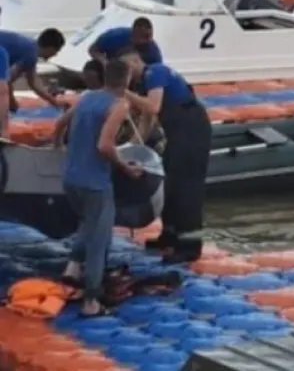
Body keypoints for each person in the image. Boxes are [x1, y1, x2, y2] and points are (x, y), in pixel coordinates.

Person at [52, 60, 142, 317]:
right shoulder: (119, 105)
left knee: (88, 223)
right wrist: (125, 167)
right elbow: (104, 145)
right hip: (95, 182)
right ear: (127, 80)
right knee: (99, 240)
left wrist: (58, 149)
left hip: (71, 178)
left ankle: (72, 267)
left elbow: (59, 125)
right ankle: (91, 300)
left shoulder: (87, 98)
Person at [119, 48, 211, 263]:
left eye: (126, 69)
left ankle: (189, 245)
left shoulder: (155, 72)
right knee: (169, 182)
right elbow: (147, 119)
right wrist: (131, 146)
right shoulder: (142, 84)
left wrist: (123, 92)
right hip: (174, 132)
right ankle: (169, 234)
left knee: (186, 187)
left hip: (190, 127)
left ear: (135, 61)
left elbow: (153, 106)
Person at [81, 59, 166, 155]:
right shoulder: (90, 99)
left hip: (139, 139)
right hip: (120, 145)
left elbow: (150, 113)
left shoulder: (123, 100)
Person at [0, 29, 67, 112]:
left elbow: (33, 82)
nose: (55, 55)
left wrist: (54, 102)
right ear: (50, 48)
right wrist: (12, 105)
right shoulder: (30, 53)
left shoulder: (31, 48)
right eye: (56, 51)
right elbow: (7, 82)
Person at [88, 18, 163, 66]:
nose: (148, 40)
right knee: (91, 70)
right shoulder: (115, 36)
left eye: (150, 36)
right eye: (144, 36)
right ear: (134, 33)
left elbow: (158, 72)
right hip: (110, 68)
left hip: (136, 77)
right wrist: (104, 62)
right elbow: (92, 49)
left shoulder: (153, 52)